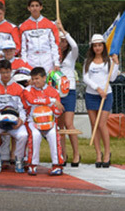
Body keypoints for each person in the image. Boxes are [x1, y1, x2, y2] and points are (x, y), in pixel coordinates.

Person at [83, 34, 119, 168]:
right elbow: (85, 78)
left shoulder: (108, 61)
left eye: (100, 45)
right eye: (95, 45)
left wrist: (116, 64)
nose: (97, 48)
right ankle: (98, 154)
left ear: (103, 46)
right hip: (92, 95)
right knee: (94, 125)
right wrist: (97, 89)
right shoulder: (88, 61)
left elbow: (113, 78)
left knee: (102, 124)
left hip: (106, 95)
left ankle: (107, 154)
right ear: (92, 47)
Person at [0, 59, 28, 173]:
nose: (5, 75)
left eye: (8, 72)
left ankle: (19, 159)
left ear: (11, 71)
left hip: (14, 120)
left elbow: (23, 108)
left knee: (23, 135)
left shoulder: (19, 88)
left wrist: (21, 120)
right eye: (3, 72)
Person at [23, 67, 65, 176]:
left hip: (49, 121)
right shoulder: (27, 90)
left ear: (44, 78)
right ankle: (32, 165)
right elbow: (32, 101)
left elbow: (58, 111)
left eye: (37, 78)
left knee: (53, 135)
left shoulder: (54, 91)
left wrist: (55, 110)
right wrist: (51, 101)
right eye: (33, 79)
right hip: (33, 121)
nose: (35, 81)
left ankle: (57, 165)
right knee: (35, 135)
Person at [56, 21, 80, 167]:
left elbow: (76, 46)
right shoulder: (53, 55)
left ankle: (76, 153)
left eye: (64, 40)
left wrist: (64, 31)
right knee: (60, 127)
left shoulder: (71, 55)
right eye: (60, 40)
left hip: (69, 90)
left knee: (69, 124)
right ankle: (63, 154)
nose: (62, 43)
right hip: (57, 92)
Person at [19, 0, 60, 72]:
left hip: (47, 60)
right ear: (29, 8)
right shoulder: (23, 26)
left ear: (41, 7)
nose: (35, 8)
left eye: (37, 6)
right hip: (31, 60)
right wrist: (24, 64)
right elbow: (23, 49)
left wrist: (56, 62)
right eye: (32, 6)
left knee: (48, 82)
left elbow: (54, 45)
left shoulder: (50, 24)